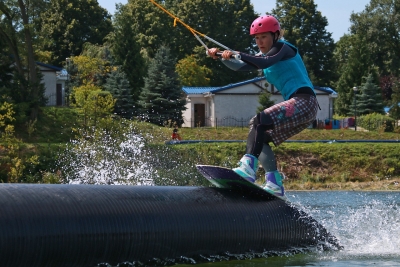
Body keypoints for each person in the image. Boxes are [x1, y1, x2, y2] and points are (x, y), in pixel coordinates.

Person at [208, 15, 318, 199]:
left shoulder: (283, 47)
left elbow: (264, 61)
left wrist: (238, 53)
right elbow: (238, 67)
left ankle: (248, 169)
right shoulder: (264, 56)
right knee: (259, 134)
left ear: (275, 35)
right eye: (256, 38)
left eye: (264, 37)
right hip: (301, 110)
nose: (259, 42)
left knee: (260, 120)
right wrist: (221, 56)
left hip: (305, 101)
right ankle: (274, 183)